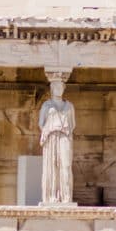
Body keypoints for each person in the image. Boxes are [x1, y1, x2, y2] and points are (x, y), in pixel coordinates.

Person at [39, 74, 75, 204]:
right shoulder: (46, 106)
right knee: (52, 166)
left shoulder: (69, 106)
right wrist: (51, 129)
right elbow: (41, 123)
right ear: (52, 88)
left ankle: (66, 197)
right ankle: (51, 197)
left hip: (65, 136)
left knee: (66, 165)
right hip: (51, 136)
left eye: (61, 86)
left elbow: (73, 124)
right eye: (56, 87)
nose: (59, 89)